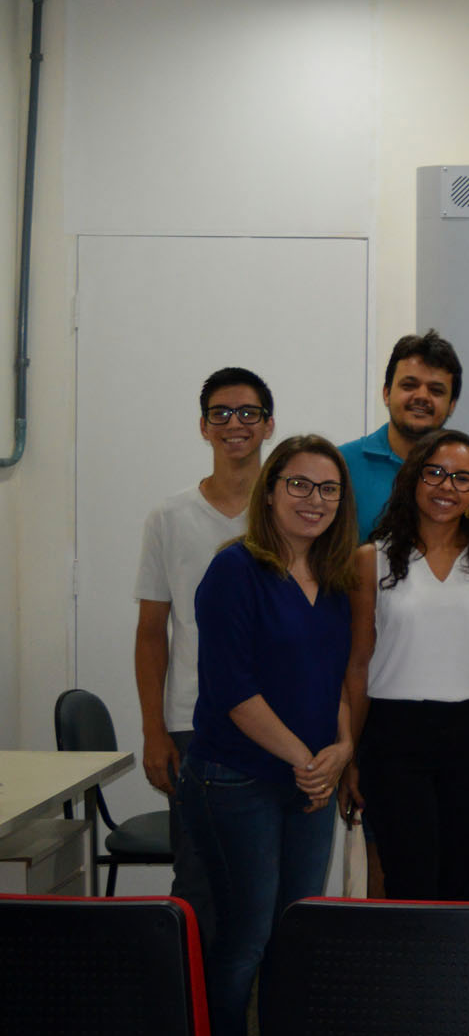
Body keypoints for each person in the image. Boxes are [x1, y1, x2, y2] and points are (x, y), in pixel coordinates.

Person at [177, 435, 357, 1036]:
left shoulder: (334, 580)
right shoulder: (235, 570)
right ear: (272, 489)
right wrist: (308, 761)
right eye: (300, 484)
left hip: (306, 781)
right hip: (235, 778)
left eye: (329, 488)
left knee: (295, 932)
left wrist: (342, 747)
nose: (315, 499)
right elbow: (233, 691)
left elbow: (338, 678)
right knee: (246, 936)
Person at [134, 366, 275, 954]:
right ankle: (195, 1033)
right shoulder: (169, 517)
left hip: (281, 725)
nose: (234, 425)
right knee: (198, 884)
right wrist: (154, 732)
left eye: (247, 413)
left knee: (275, 887)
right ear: (203, 427)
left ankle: (266, 1032)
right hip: (197, 727)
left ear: (269, 424)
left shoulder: (293, 511)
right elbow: (151, 633)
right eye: (221, 413)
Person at [341, 429, 469, 900]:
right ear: (413, 480)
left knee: (458, 884)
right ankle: (409, 976)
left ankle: (451, 977)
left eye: (462, 479)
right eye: (435, 473)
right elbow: (358, 665)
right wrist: (349, 755)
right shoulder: (369, 560)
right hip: (393, 740)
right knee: (408, 884)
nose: (446, 487)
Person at [337, 329, 469, 543]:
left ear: (452, 405)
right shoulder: (342, 465)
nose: (421, 397)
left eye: (436, 390)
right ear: (386, 393)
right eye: (409, 385)